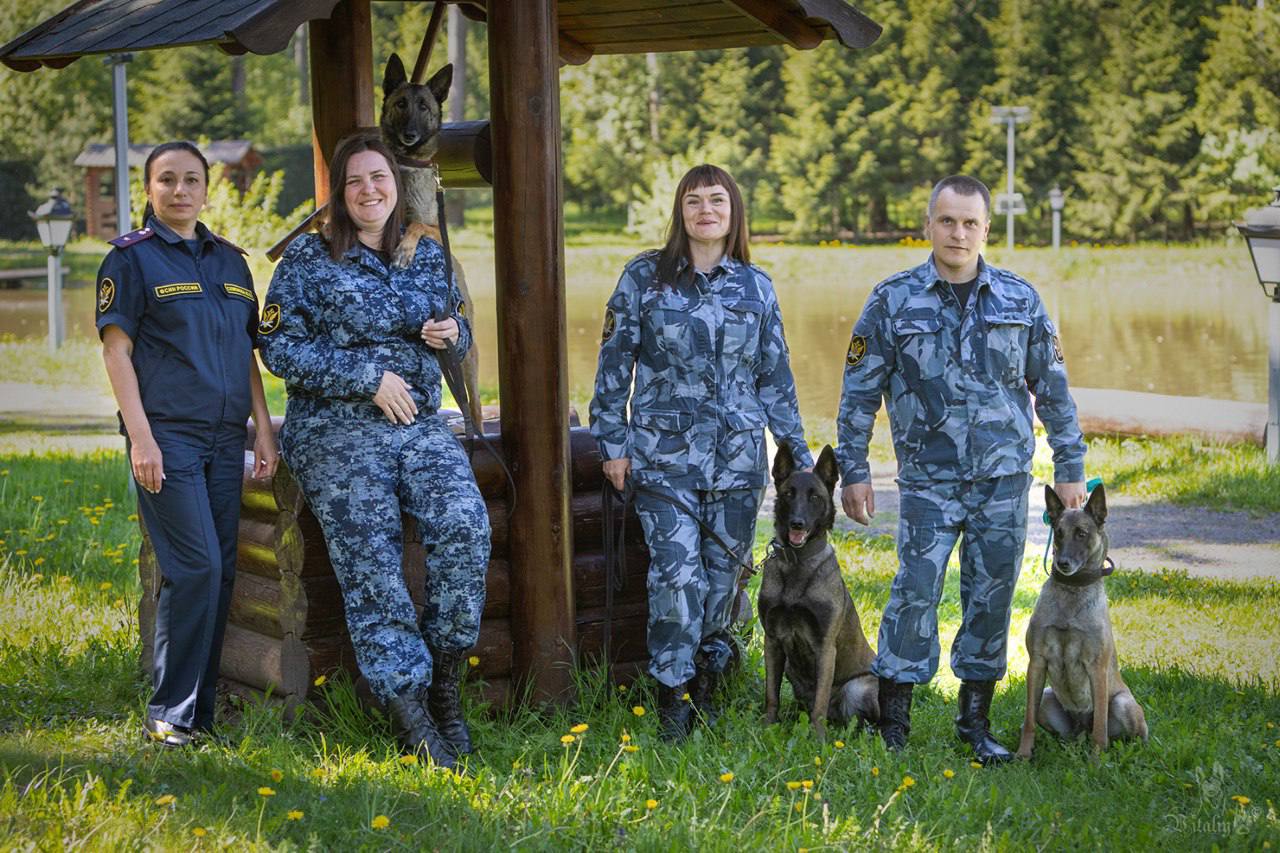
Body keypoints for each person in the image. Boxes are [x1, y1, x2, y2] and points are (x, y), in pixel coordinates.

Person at [835, 174, 1087, 764]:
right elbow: (857, 394)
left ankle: (974, 723)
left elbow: (1052, 390)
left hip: (1003, 480)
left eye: (970, 222)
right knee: (914, 592)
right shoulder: (893, 300)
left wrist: (1070, 464)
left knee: (992, 595)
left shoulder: (1020, 300)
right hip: (927, 481)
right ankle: (894, 719)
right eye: (947, 221)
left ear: (986, 229)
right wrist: (854, 470)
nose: (958, 233)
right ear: (928, 225)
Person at [258, 132, 488, 771]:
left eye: (379, 178)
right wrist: (366, 379)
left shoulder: (425, 253)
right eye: (355, 180)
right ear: (340, 189)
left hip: (417, 426)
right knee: (373, 554)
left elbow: (458, 324)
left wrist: (452, 332)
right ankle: (409, 711)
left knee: (466, 526)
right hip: (336, 432)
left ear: (395, 183)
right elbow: (278, 349)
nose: (369, 191)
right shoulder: (308, 258)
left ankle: (444, 685)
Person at [590, 164, 812, 742]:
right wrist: (612, 442)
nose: (706, 210)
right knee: (676, 577)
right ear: (680, 212)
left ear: (734, 211)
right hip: (664, 461)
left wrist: (798, 454)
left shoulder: (756, 287)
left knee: (722, 582)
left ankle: (708, 685)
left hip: (739, 463)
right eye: (694, 201)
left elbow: (775, 378)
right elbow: (615, 364)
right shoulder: (645, 277)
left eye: (717, 200)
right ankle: (672, 701)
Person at [96, 141, 278, 747]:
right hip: (167, 437)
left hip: (227, 438)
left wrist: (265, 430)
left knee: (220, 571)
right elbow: (116, 352)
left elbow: (247, 354)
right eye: (166, 180)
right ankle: (169, 713)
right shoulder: (130, 261)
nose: (179, 190)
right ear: (148, 189)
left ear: (206, 188)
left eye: (191, 180)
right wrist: (141, 439)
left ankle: (196, 714)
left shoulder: (231, 262)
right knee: (194, 567)